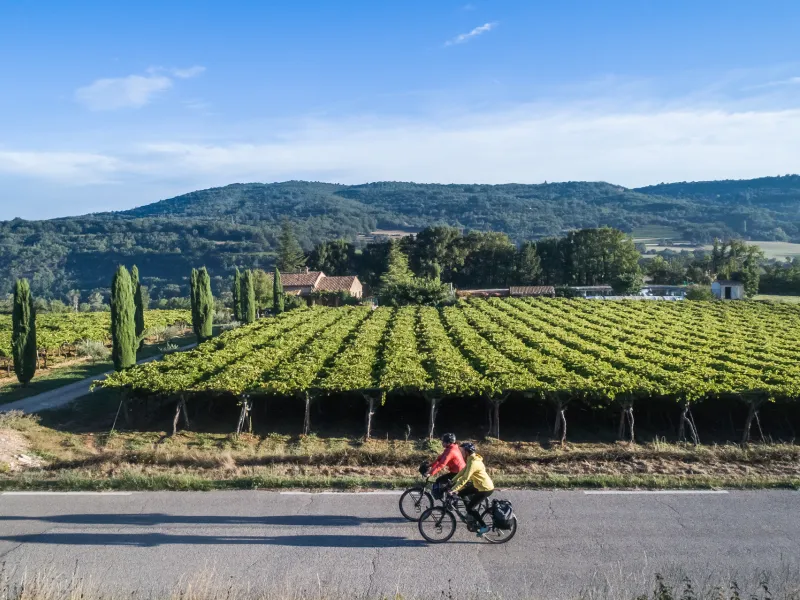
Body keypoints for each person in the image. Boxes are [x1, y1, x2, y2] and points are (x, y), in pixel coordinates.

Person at [448, 442, 495, 537]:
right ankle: (470, 516)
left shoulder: (473, 462)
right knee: (461, 493)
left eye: (462, 451)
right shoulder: (471, 459)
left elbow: (465, 478)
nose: (461, 453)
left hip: (485, 488)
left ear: (467, 452)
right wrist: (452, 480)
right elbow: (463, 471)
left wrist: (453, 489)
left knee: (470, 507)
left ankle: (483, 526)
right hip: (479, 485)